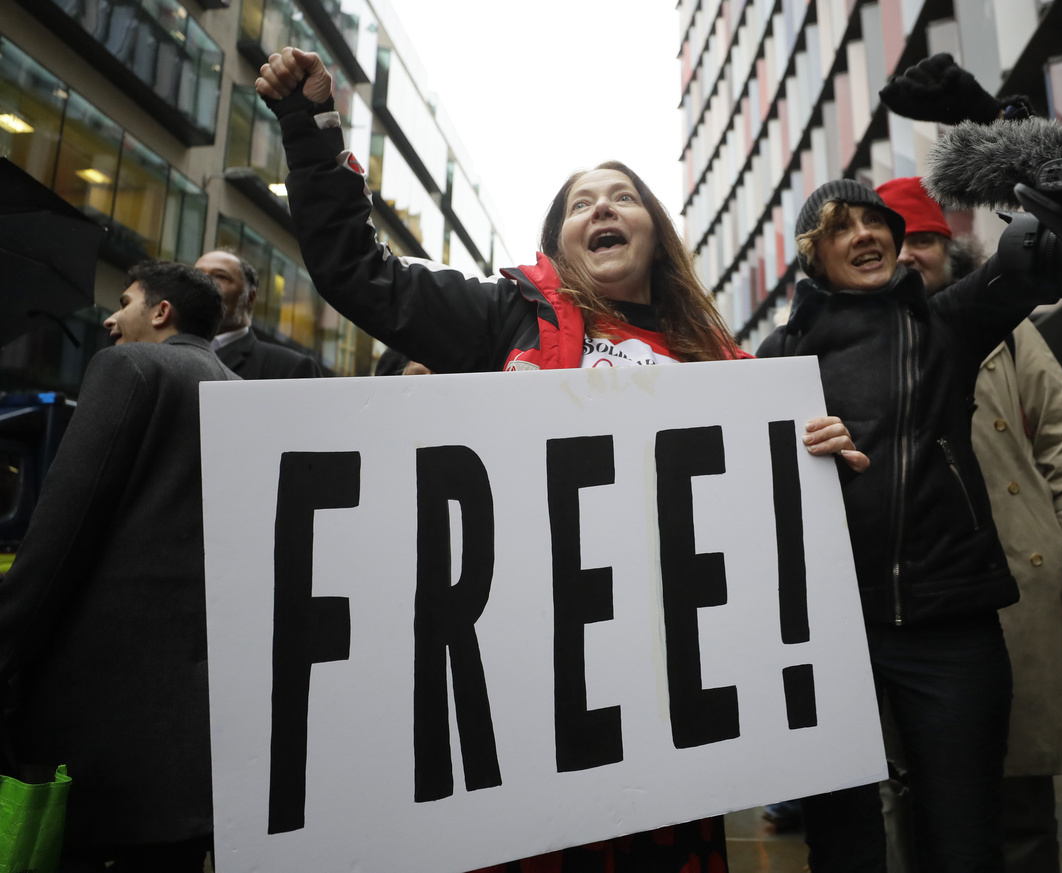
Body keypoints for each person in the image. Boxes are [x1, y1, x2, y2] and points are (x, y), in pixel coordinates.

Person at [254, 46, 865, 873]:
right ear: (562, 241)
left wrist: (819, 458)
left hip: (666, 694)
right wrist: (312, 128)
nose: (602, 208)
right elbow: (358, 275)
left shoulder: (727, 369)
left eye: (621, 196)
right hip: (535, 691)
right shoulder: (502, 315)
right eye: (583, 203)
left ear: (653, 231)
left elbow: (767, 524)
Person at [755, 174, 1061, 873]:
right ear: (813, 254)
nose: (864, 234)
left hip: (950, 625)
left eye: (875, 222)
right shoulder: (774, 356)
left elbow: (1038, 255)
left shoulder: (946, 322)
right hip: (828, 633)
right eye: (841, 226)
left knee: (963, 840)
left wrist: (1024, 168)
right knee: (842, 844)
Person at [874, 176, 1062, 873]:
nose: (910, 253)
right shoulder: (846, 337)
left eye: (924, 238)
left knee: (1021, 804)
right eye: (897, 240)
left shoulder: (1010, 331)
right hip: (903, 611)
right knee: (909, 798)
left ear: (951, 250)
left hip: (1012, 587)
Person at [0, 261, 238, 871]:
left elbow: (60, 533)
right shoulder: (243, 395)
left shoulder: (129, 368)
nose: (110, 318)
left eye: (126, 302)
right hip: (199, 750)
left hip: (96, 728)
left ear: (161, 313)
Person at [195, 248, 324, 379]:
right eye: (197, 275)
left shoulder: (290, 367)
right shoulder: (174, 350)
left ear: (250, 297)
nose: (204, 282)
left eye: (220, 276)